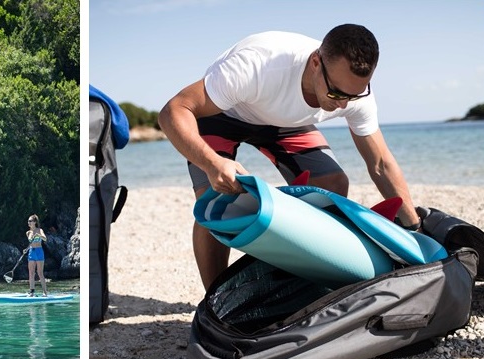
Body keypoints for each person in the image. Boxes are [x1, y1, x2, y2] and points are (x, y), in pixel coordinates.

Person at [159, 24, 420, 290]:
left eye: (353, 95)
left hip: (284, 122)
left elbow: (380, 163)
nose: (344, 104)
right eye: (337, 93)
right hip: (223, 114)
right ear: (316, 62)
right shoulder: (258, 66)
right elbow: (173, 110)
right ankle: (215, 299)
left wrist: (413, 226)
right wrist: (212, 163)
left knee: (333, 184)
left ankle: (303, 276)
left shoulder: (354, 94)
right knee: (215, 202)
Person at [25, 214, 48, 297]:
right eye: (28, 221)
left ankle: (45, 292)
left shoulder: (39, 230)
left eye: (30, 221)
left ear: (35, 222)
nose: (29, 222)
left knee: (40, 273)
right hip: (31, 252)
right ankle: (32, 291)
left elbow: (45, 239)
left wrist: (39, 235)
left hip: (39, 251)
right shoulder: (28, 232)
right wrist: (26, 249)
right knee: (31, 273)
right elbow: (30, 243)